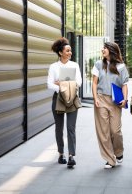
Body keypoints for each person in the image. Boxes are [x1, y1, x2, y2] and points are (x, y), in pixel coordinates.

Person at [92, 42, 129, 169]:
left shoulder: (121, 66)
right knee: (104, 131)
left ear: (112, 50)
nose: (103, 49)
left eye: (105, 48)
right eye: (103, 47)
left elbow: (124, 84)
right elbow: (94, 83)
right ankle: (109, 159)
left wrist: (125, 99)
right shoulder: (98, 64)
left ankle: (118, 152)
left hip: (115, 101)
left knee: (115, 130)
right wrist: (95, 98)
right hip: (101, 98)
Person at [47, 37, 82, 168]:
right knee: (59, 128)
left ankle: (71, 156)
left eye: (70, 50)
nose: (70, 53)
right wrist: (64, 87)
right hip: (58, 99)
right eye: (67, 50)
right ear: (60, 52)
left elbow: (79, 82)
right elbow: (49, 84)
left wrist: (61, 83)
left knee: (71, 128)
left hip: (73, 98)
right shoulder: (53, 67)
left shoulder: (74, 65)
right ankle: (61, 153)